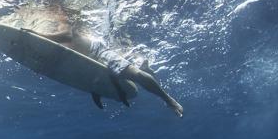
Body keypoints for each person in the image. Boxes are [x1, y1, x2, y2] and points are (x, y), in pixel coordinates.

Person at [34, 24, 184, 117]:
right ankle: (144, 69)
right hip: (90, 63)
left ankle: (168, 99)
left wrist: (39, 35)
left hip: (99, 51)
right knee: (99, 80)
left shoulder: (68, 25)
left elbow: (67, 35)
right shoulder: (62, 40)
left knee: (136, 75)